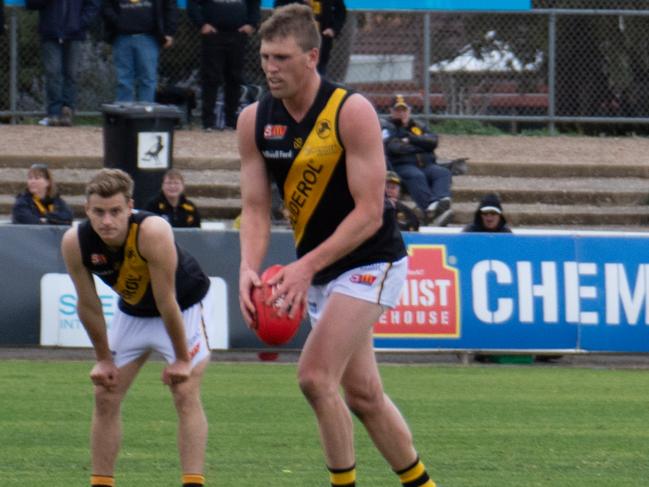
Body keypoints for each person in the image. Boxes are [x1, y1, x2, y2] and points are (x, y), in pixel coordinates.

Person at [237, 5, 437, 487]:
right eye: (265, 56)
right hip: (322, 270)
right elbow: (257, 209)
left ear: (312, 56)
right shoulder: (254, 120)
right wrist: (248, 266)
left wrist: (304, 267)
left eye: (282, 57)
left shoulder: (351, 111)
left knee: (314, 378)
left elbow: (370, 213)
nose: (270, 67)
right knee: (364, 396)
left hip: (373, 260)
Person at [61, 169, 212, 487]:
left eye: (115, 211)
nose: (107, 221)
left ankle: (193, 483)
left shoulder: (153, 231)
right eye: (98, 212)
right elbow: (88, 305)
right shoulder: (75, 242)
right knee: (104, 393)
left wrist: (182, 359)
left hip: (180, 308)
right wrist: (103, 359)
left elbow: (166, 301)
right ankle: (101, 482)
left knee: (184, 391)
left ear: (129, 207)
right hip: (132, 313)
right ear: (87, 210)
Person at [188, 0, 260, 132]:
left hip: (238, 35)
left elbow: (255, 4)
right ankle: (208, 121)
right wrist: (201, 24)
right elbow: (192, 4)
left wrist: (251, 24)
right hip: (213, 35)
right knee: (210, 78)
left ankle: (231, 121)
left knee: (235, 78)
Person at [26, 0, 100, 127]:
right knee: (53, 73)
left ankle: (68, 110)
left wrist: (80, 23)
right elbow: (31, 3)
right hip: (51, 33)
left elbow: (93, 5)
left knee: (71, 73)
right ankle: (54, 113)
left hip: (74, 34)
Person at [382, 94, 452, 226]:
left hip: (427, 165)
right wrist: (421, 146)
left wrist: (411, 140)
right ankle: (429, 212)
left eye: (404, 110)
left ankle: (439, 204)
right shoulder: (388, 127)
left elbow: (433, 141)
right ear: (391, 111)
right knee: (416, 176)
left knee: (443, 172)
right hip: (402, 166)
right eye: (397, 110)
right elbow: (393, 147)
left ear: (409, 110)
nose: (401, 113)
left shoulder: (418, 125)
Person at [101, 0, 178, 102]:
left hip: (149, 37)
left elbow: (169, 6)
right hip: (122, 37)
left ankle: (145, 114)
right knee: (124, 80)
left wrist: (169, 31)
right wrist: (118, 21)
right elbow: (106, 6)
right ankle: (124, 115)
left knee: (148, 79)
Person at [273, 0, 346, 76]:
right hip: (295, 41)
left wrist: (333, 29)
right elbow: (278, 9)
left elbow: (341, 11)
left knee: (318, 75)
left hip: (321, 43)